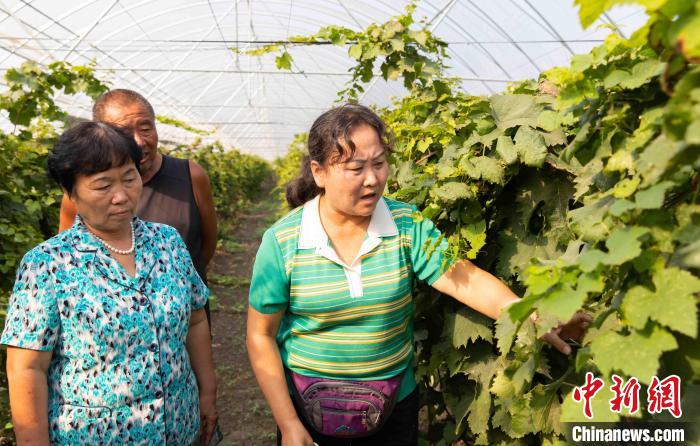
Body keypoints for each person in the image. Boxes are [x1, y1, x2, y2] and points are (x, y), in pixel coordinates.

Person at [246, 104, 590, 446]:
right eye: (356, 168)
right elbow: (261, 335)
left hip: (393, 406)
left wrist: (535, 315)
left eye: (379, 164)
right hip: (311, 413)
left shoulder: (405, 225)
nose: (372, 179)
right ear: (319, 172)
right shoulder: (283, 242)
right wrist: (289, 423)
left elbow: (464, 280)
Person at [2, 122, 218, 445]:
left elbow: (196, 318)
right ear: (71, 191)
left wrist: (207, 389)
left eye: (130, 179)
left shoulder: (167, 242)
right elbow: (26, 369)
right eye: (103, 186)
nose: (121, 196)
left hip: (180, 428)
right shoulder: (46, 265)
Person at [58, 89, 218, 325]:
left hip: (186, 319)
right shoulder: (81, 194)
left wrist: (175, 286)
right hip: (113, 328)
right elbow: (67, 260)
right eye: (123, 132)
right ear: (99, 134)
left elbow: (206, 244)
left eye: (146, 128)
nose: (139, 141)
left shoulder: (190, 175)